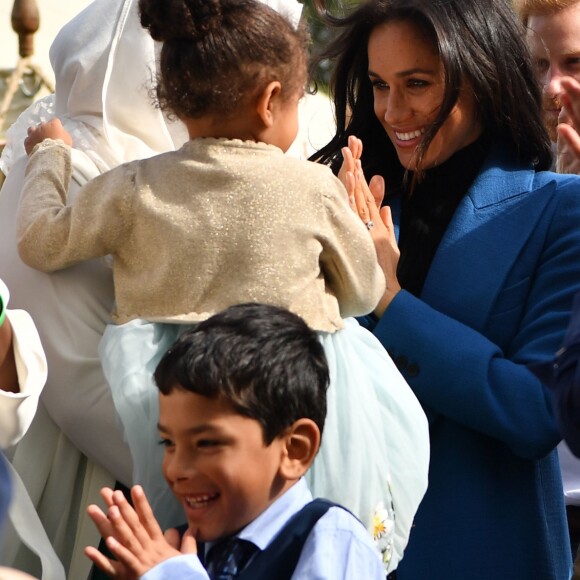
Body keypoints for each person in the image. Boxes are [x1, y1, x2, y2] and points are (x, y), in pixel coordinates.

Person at [16, 0, 430, 572]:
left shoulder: (133, 187)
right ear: (269, 101)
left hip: (178, 408)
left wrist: (50, 156)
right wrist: (361, 235)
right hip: (302, 398)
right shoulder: (311, 186)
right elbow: (362, 294)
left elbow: (40, 241)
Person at [0, 0, 315, 575]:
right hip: (114, 492)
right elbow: (75, 381)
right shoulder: (82, 172)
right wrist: (222, 466)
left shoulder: (166, 169)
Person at [310, 0, 580, 578]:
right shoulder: (348, 203)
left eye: (418, 83)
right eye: (380, 85)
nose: (392, 109)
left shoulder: (559, 210)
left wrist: (390, 301)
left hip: (489, 553)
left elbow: (535, 411)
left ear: (481, 76)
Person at [84, 303, 387, 579]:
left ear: (295, 449)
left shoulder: (330, 536)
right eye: (168, 443)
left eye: (206, 443)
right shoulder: (183, 549)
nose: (176, 469)